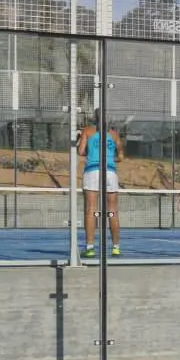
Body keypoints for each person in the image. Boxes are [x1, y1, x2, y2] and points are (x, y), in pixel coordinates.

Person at [77, 109, 124, 258]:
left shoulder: (88, 131)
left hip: (93, 170)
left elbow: (80, 151)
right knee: (112, 210)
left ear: (94, 118)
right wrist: (109, 159)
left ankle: (90, 247)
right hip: (110, 172)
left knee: (91, 209)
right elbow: (121, 156)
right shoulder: (114, 135)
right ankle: (116, 247)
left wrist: (92, 154)